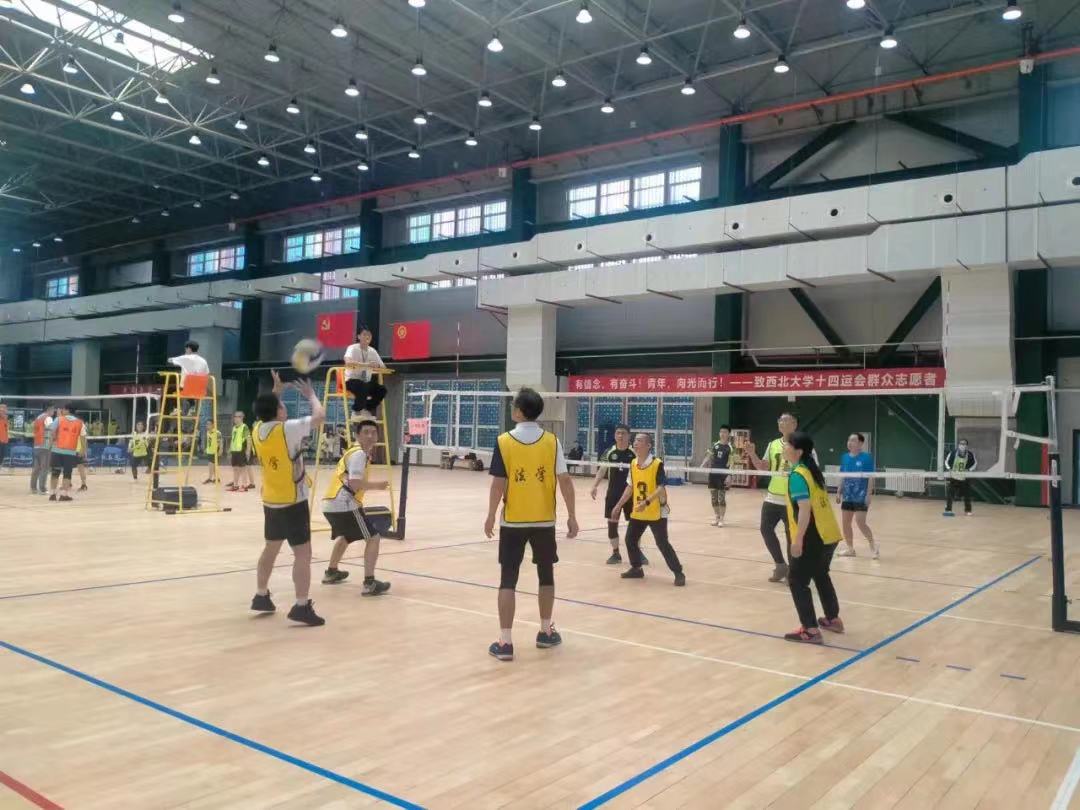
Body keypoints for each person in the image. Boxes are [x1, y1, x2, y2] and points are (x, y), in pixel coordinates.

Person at [484, 388, 578, 662]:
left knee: (508, 579)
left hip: (513, 521)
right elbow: (565, 480)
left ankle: (505, 642)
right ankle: (546, 632)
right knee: (546, 576)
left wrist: (490, 514)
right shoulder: (552, 441)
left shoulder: (503, 441)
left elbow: (498, 484)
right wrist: (572, 515)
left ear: (518, 411)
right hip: (544, 521)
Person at [249, 372, 326, 626]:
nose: (285, 407)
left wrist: (276, 390)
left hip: (271, 501)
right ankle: (301, 606)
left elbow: (265, 409)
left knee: (270, 549)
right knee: (303, 554)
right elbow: (320, 416)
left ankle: (261, 595)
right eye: (282, 405)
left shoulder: (257, 429)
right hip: (293, 502)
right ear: (278, 412)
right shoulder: (287, 430)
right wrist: (311, 395)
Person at [783, 431, 843, 644]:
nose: (784, 447)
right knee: (820, 574)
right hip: (829, 534)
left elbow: (804, 509)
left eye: (788, 444)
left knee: (797, 581)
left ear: (798, 451)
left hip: (813, 536)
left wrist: (798, 539)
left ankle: (810, 629)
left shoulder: (798, 475)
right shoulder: (812, 471)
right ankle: (833, 619)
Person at [320, 419, 392, 595]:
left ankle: (331, 572)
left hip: (330, 503)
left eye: (373, 432)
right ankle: (369, 583)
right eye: (366, 432)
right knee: (373, 538)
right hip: (344, 503)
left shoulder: (355, 452)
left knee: (347, 536)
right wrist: (378, 485)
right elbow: (354, 483)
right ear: (357, 435)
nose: (370, 436)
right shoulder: (359, 454)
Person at [611, 432, 686, 586]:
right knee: (630, 539)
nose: (635, 443)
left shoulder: (657, 464)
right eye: (635, 440)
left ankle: (678, 572)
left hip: (656, 511)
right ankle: (637, 568)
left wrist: (646, 502)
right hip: (639, 510)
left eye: (639, 441)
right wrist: (618, 505)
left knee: (662, 543)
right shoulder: (633, 463)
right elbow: (630, 487)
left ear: (648, 445)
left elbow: (660, 488)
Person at [746, 412, 804, 583]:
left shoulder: (802, 444)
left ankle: (794, 572)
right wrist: (752, 454)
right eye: (780, 420)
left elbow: (811, 469)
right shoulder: (772, 445)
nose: (781, 423)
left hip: (792, 498)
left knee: (791, 536)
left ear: (794, 424)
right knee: (765, 529)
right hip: (772, 497)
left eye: (785, 420)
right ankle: (780, 565)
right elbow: (763, 467)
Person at [590, 424, 649, 566]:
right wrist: (594, 485)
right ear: (615, 435)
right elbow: (602, 470)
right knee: (612, 524)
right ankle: (615, 553)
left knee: (635, 525)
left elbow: (644, 470)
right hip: (613, 494)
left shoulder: (634, 452)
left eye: (623, 433)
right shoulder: (609, 452)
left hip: (632, 494)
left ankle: (637, 552)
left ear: (629, 436)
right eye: (618, 433)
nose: (620, 436)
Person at [836, 433, 878, 558]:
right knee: (845, 523)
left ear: (860, 443)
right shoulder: (844, 457)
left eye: (853, 440)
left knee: (860, 522)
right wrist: (839, 491)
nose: (850, 442)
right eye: (849, 440)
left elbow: (871, 477)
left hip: (861, 496)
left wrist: (868, 495)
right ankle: (850, 549)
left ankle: (873, 546)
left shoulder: (866, 458)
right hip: (848, 495)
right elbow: (842, 475)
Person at [343, 327, 387, 418]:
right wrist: (366, 365)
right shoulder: (352, 348)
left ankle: (366, 408)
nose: (367, 337)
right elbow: (348, 362)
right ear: (359, 336)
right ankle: (356, 411)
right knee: (362, 386)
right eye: (364, 334)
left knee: (382, 390)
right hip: (351, 381)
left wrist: (377, 365)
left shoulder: (372, 351)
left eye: (369, 335)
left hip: (366, 381)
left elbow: (383, 367)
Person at [48, 404, 86, 502]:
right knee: (67, 474)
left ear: (67, 410)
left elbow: (52, 432)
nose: (62, 411)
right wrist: (83, 450)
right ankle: (64, 495)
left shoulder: (59, 419)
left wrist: (51, 444)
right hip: (70, 452)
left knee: (55, 473)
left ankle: (52, 494)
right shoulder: (80, 423)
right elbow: (83, 438)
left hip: (57, 450)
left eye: (63, 409)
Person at [700, 424, 733, 527]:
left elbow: (732, 463)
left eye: (725, 432)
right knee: (713, 498)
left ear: (729, 434)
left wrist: (729, 475)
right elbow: (708, 456)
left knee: (721, 498)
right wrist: (702, 465)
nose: (722, 434)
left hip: (723, 476)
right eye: (721, 432)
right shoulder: (714, 445)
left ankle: (722, 519)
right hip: (713, 475)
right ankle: (717, 517)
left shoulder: (731, 447)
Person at [944, 439, 978, 517]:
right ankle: (948, 509)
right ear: (958, 445)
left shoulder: (970, 454)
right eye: (961, 444)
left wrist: (969, 470)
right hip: (954, 477)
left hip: (964, 477)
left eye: (964, 444)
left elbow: (975, 463)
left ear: (967, 445)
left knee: (967, 495)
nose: (962, 445)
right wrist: (949, 468)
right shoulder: (953, 453)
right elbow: (946, 461)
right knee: (950, 494)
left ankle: (968, 510)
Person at [30, 406, 56, 494]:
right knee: (44, 468)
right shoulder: (48, 418)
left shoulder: (38, 417)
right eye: (53, 410)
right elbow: (52, 430)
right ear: (49, 410)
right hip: (45, 446)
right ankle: (42, 488)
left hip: (36, 445)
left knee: (36, 468)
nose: (54, 412)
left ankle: (33, 488)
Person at [228, 411, 254, 492]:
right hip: (234, 451)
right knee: (235, 468)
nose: (236, 418)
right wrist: (230, 450)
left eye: (238, 417)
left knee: (243, 469)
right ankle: (235, 485)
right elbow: (233, 440)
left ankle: (244, 486)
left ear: (242, 417)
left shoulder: (244, 427)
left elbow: (248, 439)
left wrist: (248, 451)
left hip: (241, 450)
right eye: (235, 417)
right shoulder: (234, 428)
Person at [0, 403, 9, 469]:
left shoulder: (5, 420)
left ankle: (0, 465)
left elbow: (6, 430)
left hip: (4, 440)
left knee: (2, 454)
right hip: (1, 439)